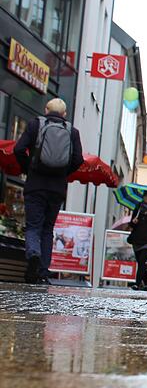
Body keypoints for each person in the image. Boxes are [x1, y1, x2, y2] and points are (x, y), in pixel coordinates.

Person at [13, 98, 84, 284]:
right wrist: (63, 173)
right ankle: (43, 271)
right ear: (65, 114)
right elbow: (78, 159)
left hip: (35, 185)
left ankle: (33, 255)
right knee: (47, 229)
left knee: (33, 226)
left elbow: (19, 149)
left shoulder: (35, 124)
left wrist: (30, 168)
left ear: (46, 109)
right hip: (57, 189)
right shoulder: (72, 131)